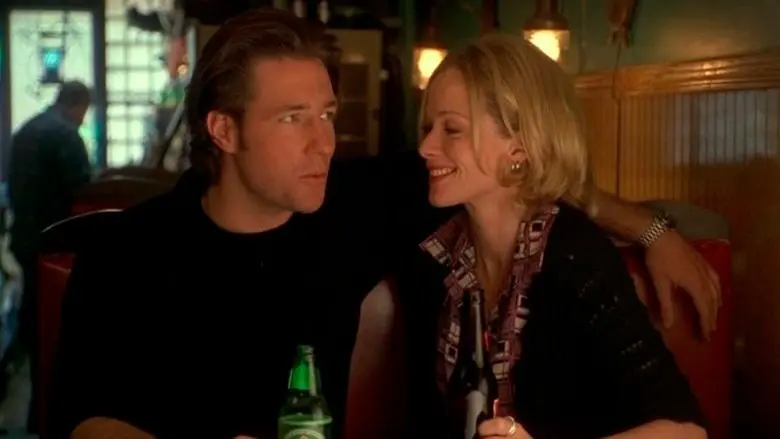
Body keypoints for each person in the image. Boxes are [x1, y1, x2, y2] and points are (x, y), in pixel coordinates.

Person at [49, 8, 717, 439]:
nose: (323, 142)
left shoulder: (355, 204)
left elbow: (524, 174)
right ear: (223, 130)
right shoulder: (128, 249)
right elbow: (83, 419)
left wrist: (652, 230)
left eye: (326, 114)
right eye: (292, 118)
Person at [397, 34, 706, 438]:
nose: (425, 147)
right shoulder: (433, 249)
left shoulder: (574, 256)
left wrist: (655, 232)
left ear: (519, 147)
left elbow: (687, 430)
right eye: (427, 128)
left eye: (451, 129)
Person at [6, 80, 92, 433]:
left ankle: (35, 412)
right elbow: (84, 189)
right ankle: (51, 414)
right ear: (78, 104)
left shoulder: (28, 129)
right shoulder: (65, 135)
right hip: (57, 245)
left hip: (26, 239)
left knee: (35, 324)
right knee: (58, 330)